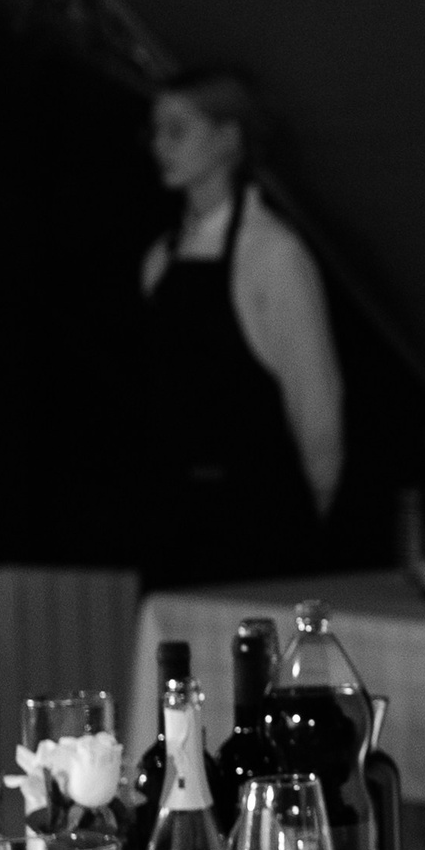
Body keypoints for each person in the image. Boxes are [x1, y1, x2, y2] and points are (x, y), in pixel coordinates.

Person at [139, 68, 342, 590]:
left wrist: (311, 508)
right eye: (156, 131)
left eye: (177, 130)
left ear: (228, 139)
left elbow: (316, 403)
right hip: (174, 521)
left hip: (255, 526)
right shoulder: (160, 260)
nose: (160, 145)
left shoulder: (273, 254)